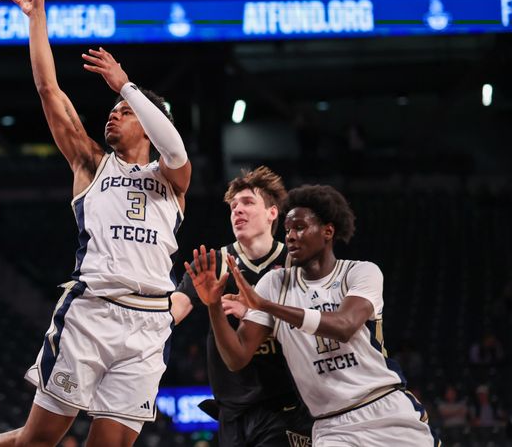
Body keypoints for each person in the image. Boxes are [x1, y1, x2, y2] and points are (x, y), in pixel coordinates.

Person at [0, 0, 191, 447]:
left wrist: (126, 84)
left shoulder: (172, 178)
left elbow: (175, 149)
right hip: (91, 312)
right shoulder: (91, 162)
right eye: (113, 108)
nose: (113, 113)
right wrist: (37, 20)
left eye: (125, 110)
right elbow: (48, 90)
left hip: (149, 324)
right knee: (38, 440)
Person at [187, 185, 439, 446]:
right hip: (330, 426)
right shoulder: (273, 284)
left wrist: (265, 306)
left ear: (328, 231)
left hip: (383, 406)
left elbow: (344, 325)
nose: (291, 237)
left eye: (300, 228)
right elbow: (237, 357)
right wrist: (214, 306)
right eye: (287, 231)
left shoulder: (360, 273)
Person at [171, 167, 312, 446]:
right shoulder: (213, 263)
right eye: (233, 206)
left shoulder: (297, 265)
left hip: (287, 407)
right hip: (233, 411)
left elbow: (315, 327)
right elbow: (175, 308)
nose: (238, 210)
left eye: (248, 202)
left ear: (273, 213)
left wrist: (254, 313)